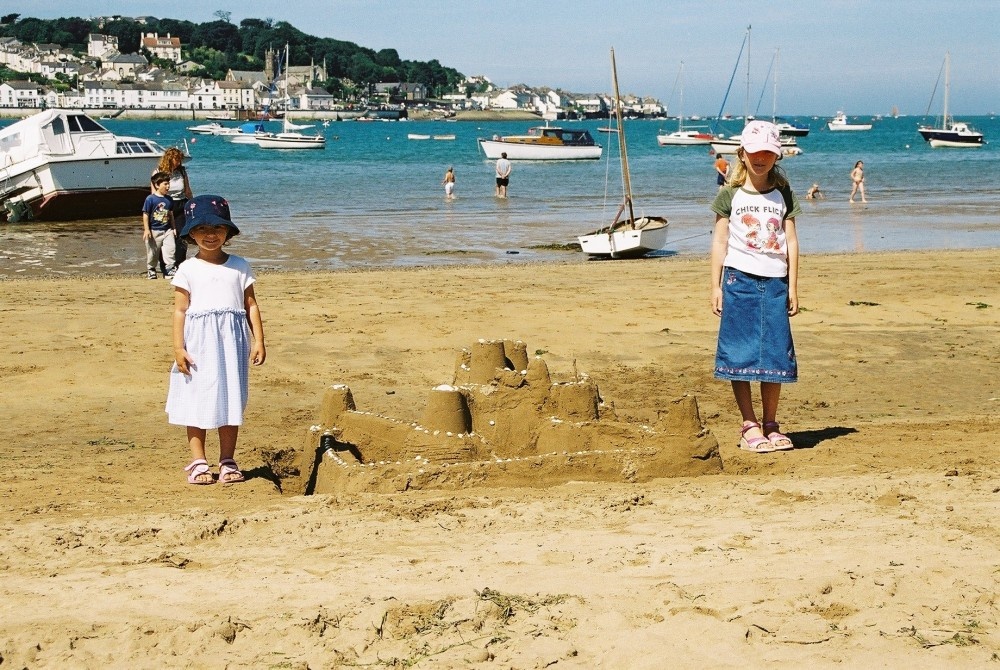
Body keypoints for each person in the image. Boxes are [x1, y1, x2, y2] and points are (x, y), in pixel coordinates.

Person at [710, 120, 801, 454]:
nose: (760, 158)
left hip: (775, 282)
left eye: (768, 152)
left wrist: (792, 286)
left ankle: (772, 424)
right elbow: (719, 241)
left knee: (775, 353)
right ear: (742, 154)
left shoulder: (783, 194)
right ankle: (749, 424)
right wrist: (716, 286)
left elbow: (790, 241)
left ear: (776, 156)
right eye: (754, 152)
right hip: (739, 281)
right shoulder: (729, 195)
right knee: (740, 352)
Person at [166, 195, 266, 485]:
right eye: (202, 230)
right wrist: (178, 348)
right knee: (196, 399)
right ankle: (198, 461)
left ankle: (227, 460)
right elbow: (179, 310)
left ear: (228, 232)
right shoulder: (187, 269)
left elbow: (251, 305)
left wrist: (258, 339)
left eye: (217, 229)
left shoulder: (239, 266)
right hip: (198, 344)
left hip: (232, 344)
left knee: (230, 398)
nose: (210, 235)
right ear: (191, 234)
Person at [156, 147, 194, 266]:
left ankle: (180, 264)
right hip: (165, 205)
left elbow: (187, 190)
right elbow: (154, 194)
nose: (178, 162)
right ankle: (165, 265)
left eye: (180, 160)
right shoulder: (159, 172)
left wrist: (194, 203)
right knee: (165, 236)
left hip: (181, 204)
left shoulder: (182, 172)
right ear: (169, 159)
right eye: (176, 159)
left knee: (181, 235)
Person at [142, 172, 176, 279]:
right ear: (157, 185)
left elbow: (171, 214)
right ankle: (151, 270)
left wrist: (174, 228)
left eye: (168, 184)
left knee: (171, 249)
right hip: (154, 230)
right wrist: (147, 229)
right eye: (165, 184)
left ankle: (170, 269)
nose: (168, 186)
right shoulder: (150, 199)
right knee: (152, 252)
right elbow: (146, 214)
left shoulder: (169, 199)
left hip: (167, 230)